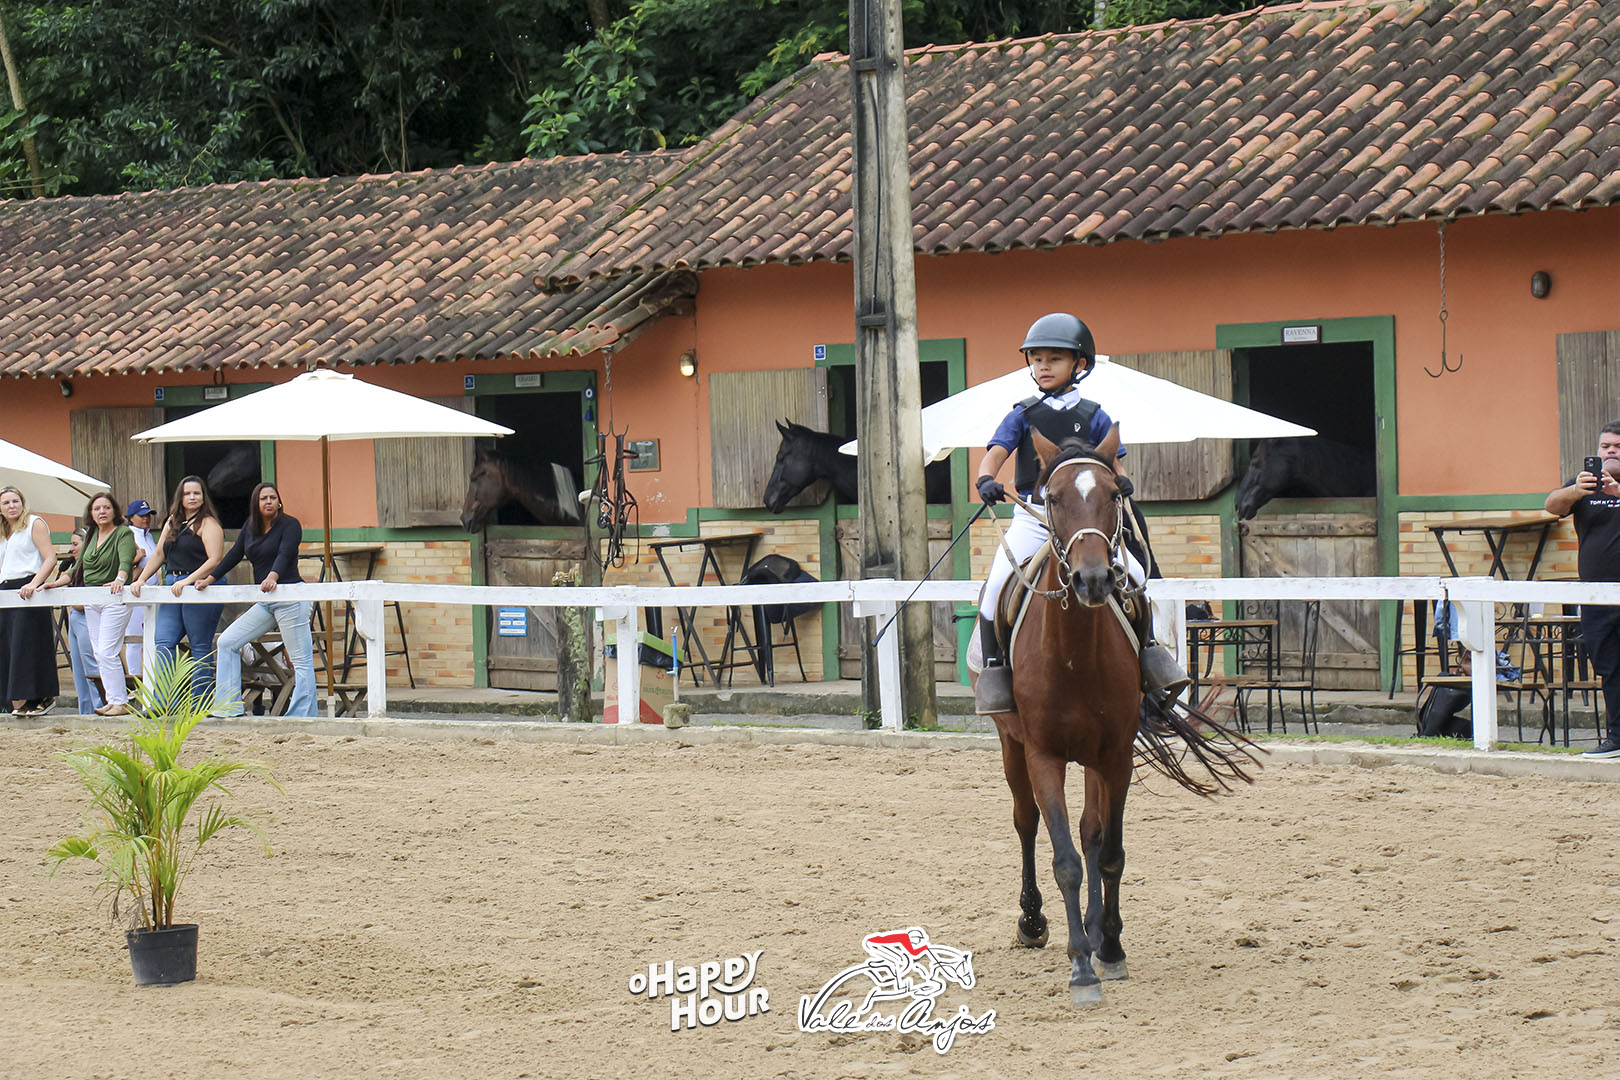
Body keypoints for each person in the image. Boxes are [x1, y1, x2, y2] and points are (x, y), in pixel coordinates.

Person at [971, 313, 1187, 715]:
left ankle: (1149, 662)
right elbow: (994, 456)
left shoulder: (1095, 413)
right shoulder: (1022, 413)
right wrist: (986, 480)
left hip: (1087, 521)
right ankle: (997, 670)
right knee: (995, 587)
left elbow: (1114, 462)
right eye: (1036, 360)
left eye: (1053, 359)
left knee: (1137, 578)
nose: (1043, 367)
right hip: (1036, 519)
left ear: (1079, 365)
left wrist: (1123, 482)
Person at [199, 481, 317, 718]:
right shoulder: (250, 527)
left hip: (290, 597)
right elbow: (233, 555)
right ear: (256, 503)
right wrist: (209, 579)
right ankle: (228, 707)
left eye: (272, 497)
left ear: (279, 500)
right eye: (263, 498)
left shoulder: (290, 524)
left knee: (300, 659)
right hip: (266, 602)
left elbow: (285, 553)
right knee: (227, 642)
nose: (269, 502)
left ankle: (302, 715)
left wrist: (273, 576)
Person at [1545, 420, 1620, 759]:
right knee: (1609, 668)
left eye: (1617, 446)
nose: (1610, 451)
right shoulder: (1585, 486)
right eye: (1605, 446)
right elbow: (1552, 505)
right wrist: (1576, 491)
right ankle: (1617, 739)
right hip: (1595, 597)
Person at [126, 476, 224, 703]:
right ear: (180, 497)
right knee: (163, 641)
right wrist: (141, 579)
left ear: (203, 496)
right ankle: (164, 701)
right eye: (187, 493)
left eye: (196, 493)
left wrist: (189, 580)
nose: (192, 497)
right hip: (172, 585)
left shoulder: (208, 523)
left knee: (199, 645)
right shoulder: (173, 521)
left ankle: (201, 701)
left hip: (199, 586)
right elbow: (159, 553)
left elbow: (215, 559)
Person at [0, 485, 60, 716]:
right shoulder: (5, 532)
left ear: (22, 503)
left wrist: (34, 583)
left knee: (29, 645)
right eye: (6, 503)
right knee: (9, 647)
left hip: (27, 587)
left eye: (15, 501)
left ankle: (42, 696)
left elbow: (50, 557)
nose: (12, 506)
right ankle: (16, 701)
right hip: (6, 590)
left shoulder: (34, 523)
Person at [77, 492, 137, 716]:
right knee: (98, 652)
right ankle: (113, 700)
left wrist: (120, 578)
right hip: (92, 599)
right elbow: (78, 569)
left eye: (106, 507)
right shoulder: (91, 534)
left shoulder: (123, 532)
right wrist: (54, 583)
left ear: (114, 511)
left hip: (114, 597)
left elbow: (126, 559)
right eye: (97, 508)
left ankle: (120, 701)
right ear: (91, 513)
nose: (101, 512)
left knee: (107, 650)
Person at [41, 528, 102, 714]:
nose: (72, 548)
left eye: (75, 544)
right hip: (75, 616)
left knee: (91, 664)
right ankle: (86, 711)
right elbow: (68, 578)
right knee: (78, 669)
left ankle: (100, 707)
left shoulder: (94, 563)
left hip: (87, 616)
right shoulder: (75, 566)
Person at [122, 499, 156, 674]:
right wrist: (137, 558)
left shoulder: (149, 536)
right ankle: (135, 679)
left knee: (152, 637)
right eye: (141, 516)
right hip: (135, 594)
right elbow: (122, 564)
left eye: (148, 515)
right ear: (131, 518)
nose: (146, 518)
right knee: (134, 638)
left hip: (152, 594)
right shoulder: (128, 535)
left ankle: (151, 678)